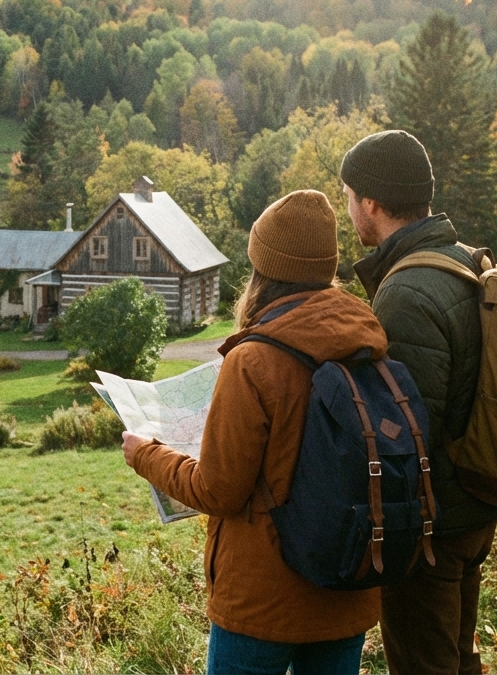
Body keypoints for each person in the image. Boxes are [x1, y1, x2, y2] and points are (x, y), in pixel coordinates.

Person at [121, 190, 389, 675]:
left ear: (263, 268)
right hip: (348, 585)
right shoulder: (368, 337)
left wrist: (146, 454)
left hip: (261, 602)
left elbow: (217, 491)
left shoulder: (253, 360)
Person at [340, 130, 497, 675]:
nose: (348, 212)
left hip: (433, 527)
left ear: (371, 203)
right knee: (457, 656)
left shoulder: (407, 291)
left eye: (348, 198)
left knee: (424, 664)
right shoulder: (462, 260)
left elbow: (406, 433)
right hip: (475, 505)